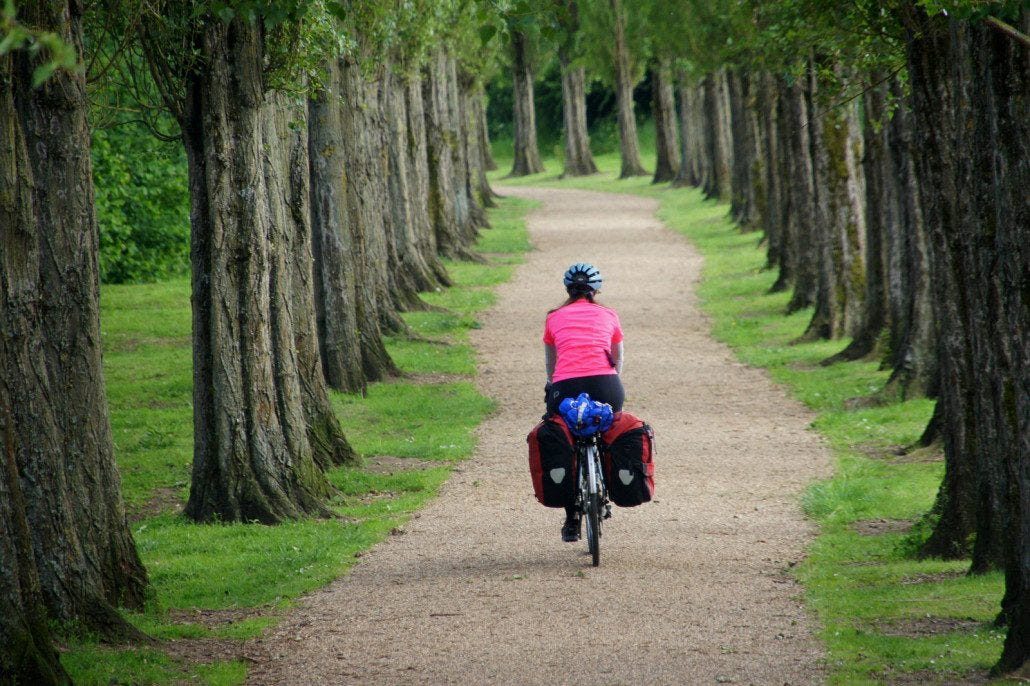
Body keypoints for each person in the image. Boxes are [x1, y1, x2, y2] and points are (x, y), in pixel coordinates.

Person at [542, 262, 624, 542]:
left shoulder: (553, 317)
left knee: (565, 439)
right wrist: (612, 384)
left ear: (568, 288)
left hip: (566, 386)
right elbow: (618, 358)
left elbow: (551, 363)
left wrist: (553, 386)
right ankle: (610, 484)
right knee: (611, 431)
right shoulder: (609, 315)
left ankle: (571, 519)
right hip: (606, 384)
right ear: (596, 290)